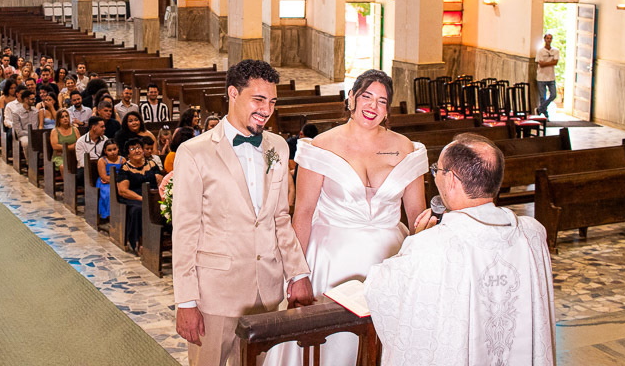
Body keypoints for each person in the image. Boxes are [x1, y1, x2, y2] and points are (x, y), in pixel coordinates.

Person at [266, 69, 427, 366]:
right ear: (351, 98)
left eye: (382, 101)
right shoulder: (321, 146)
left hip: (390, 261)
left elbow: (418, 217)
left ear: (387, 109)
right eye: (366, 96)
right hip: (331, 261)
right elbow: (303, 213)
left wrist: (425, 267)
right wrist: (297, 275)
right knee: (330, 346)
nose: (373, 106)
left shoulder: (406, 149)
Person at [364, 133, 556, 366]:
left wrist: (419, 240)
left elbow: (381, 291)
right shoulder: (532, 234)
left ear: (452, 179)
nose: (436, 177)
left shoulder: (432, 245)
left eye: (437, 170)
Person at [173, 59, 312, 366]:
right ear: (233, 94)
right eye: (258, 99)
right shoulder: (194, 152)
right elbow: (184, 231)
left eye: (272, 101)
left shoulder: (278, 147)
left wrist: (298, 273)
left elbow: (279, 218)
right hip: (214, 295)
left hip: (266, 293)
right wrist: (186, 301)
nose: (266, 109)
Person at [115, 137, 163, 253]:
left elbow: (160, 181)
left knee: (163, 206)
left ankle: (161, 238)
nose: (137, 151)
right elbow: (123, 191)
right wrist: (142, 198)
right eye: (132, 149)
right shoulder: (125, 169)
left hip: (152, 195)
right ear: (128, 154)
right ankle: (138, 242)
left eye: (138, 148)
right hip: (134, 198)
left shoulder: (152, 164)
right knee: (138, 209)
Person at [95, 139, 125, 219]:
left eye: (114, 149)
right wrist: (117, 179)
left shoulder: (122, 159)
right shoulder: (102, 160)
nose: (113, 152)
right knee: (109, 192)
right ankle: (109, 214)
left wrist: (119, 180)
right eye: (109, 150)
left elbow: (125, 174)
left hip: (119, 181)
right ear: (105, 151)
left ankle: (122, 214)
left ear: (118, 149)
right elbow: (104, 177)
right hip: (105, 183)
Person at [536, 32, 559, 118]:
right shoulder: (540, 51)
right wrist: (550, 62)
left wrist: (545, 63)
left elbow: (555, 62)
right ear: (544, 39)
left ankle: (540, 109)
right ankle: (545, 114)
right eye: (547, 38)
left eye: (550, 38)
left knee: (553, 95)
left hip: (551, 77)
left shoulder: (555, 51)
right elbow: (540, 63)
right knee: (542, 97)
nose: (549, 40)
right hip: (541, 77)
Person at [50, 109, 80, 173]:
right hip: (61, 157)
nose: (65, 118)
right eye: (62, 117)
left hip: (74, 155)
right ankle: (67, 179)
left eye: (66, 116)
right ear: (58, 119)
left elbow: (79, 144)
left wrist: (63, 148)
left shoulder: (75, 129)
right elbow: (55, 146)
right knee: (64, 166)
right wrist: (72, 147)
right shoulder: (55, 131)